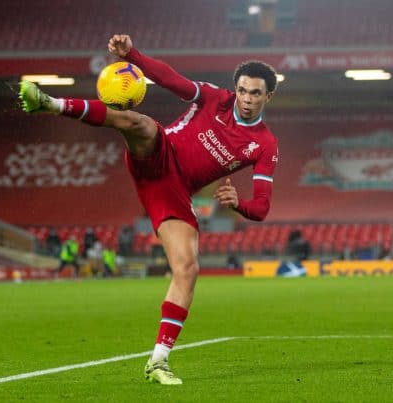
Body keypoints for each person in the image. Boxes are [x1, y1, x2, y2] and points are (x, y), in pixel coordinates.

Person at [19, 34, 279, 385]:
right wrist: (133, 55)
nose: (247, 100)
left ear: (268, 97)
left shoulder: (264, 144)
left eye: (256, 94)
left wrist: (238, 204)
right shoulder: (215, 98)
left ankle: (159, 361)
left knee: (187, 269)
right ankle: (49, 103)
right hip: (158, 153)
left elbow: (262, 207)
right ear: (236, 88)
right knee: (139, 123)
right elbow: (170, 79)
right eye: (244, 91)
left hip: (173, 193)